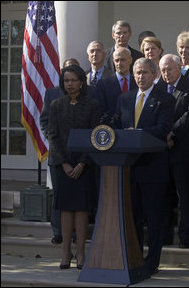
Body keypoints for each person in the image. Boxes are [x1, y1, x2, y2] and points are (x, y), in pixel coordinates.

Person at [114, 57, 175, 276]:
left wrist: (137, 135)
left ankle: (153, 261)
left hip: (153, 168)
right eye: (137, 73)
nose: (140, 77)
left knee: (154, 218)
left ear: (155, 74)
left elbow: (163, 128)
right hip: (129, 169)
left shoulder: (165, 99)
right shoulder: (125, 98)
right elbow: (117, 124)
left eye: (145, 73)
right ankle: (134, 256)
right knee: (133, 216)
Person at [48, 65, 99, 270]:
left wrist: (82, 163)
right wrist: (66, 163)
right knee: (66, 210)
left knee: (81, 209)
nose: (69, 84)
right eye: (66, 80)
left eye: (73, 80)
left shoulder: (92, 105)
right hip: (64, 165)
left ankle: (81, 253)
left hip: (84, 165)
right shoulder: (56, 105)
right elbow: (53, 136)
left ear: (81, 82)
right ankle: (65, 252)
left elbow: (96, 135)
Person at [157, 54, 189, 248]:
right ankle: (165, 235)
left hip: (184, 150)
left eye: (169, 69)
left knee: (186, 196)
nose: (166, 73)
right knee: (165, 196)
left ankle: (187, 235)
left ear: (179, 68)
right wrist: (163, 134)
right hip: (162, 151)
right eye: (163, 70)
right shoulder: (159, 88)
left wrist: (172, 133)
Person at [40, 58, 80, 245]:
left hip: (78, 155)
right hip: (58, 154)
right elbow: (45, 121)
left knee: (75, 196)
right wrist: (52, 138)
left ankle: (74, 233)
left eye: (73, 76)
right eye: (66, 76)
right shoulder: (51, 95)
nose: (69, 81)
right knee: (59, 195)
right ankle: (58, 232)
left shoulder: (86, 99)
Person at [96, 47, 136, 125]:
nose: (119, 63)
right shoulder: (103, 84)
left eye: (122, 60)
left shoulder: (138, 82)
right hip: (112, 130)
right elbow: (100, 111)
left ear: (130, 60)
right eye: (117, 60)